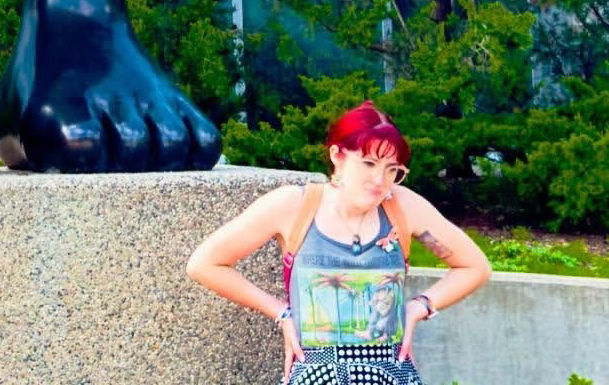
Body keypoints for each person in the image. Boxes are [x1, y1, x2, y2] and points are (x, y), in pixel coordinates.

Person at [186, 101, 490, 383]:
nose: (380, 180)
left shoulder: (403, 207)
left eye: (392, 169)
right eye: (369, 163)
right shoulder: (294, 206)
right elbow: (206, 264)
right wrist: (281, 313)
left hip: (390, 374)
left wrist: (418, 307)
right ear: (337, 156)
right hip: (316, 374)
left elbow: (474, 266)